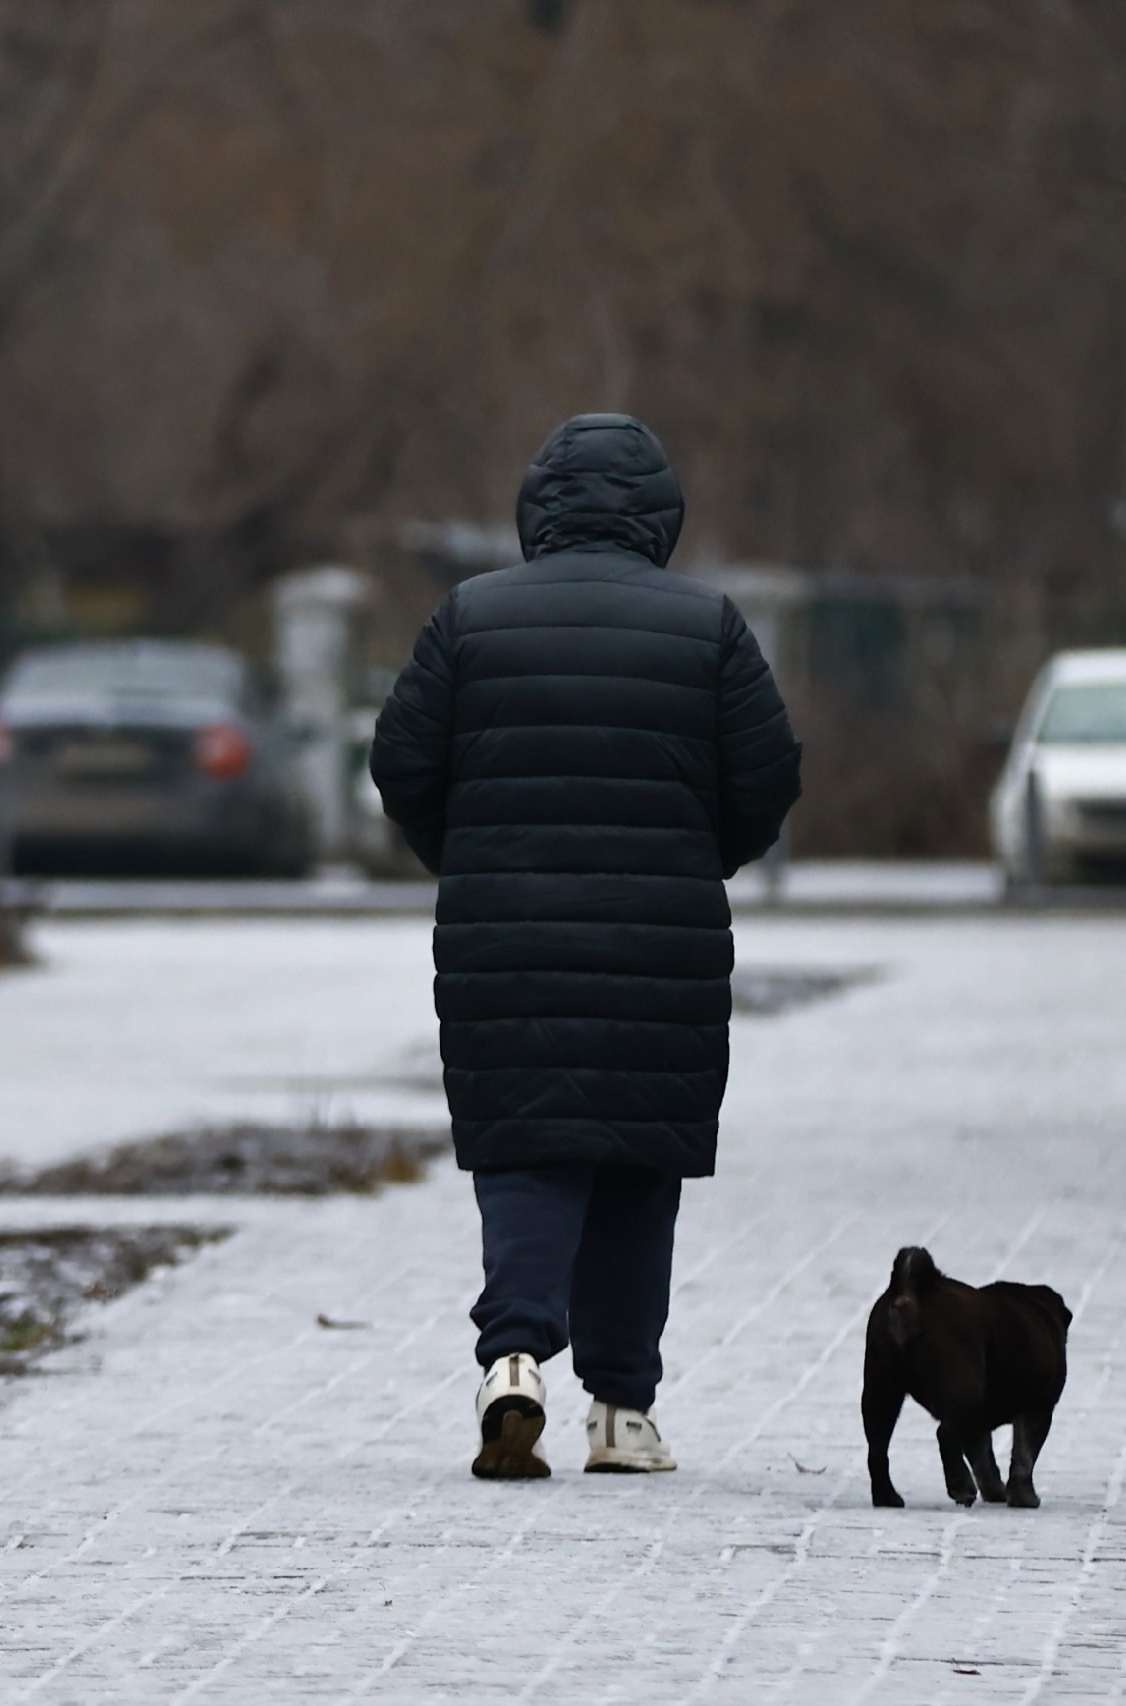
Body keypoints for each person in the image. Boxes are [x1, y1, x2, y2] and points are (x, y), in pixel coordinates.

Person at [369, 414, 801, 1480]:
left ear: (538, 510)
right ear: (659, 515)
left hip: (502, 936)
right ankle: (620, 1408)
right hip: (664, 943)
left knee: (526, 1146)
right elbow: (767, 777)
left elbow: (401, 762)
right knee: (638, 1162)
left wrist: (464, 854)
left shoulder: (470, 617)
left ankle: (512, 1357)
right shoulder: (708, 626)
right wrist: (701, 857)